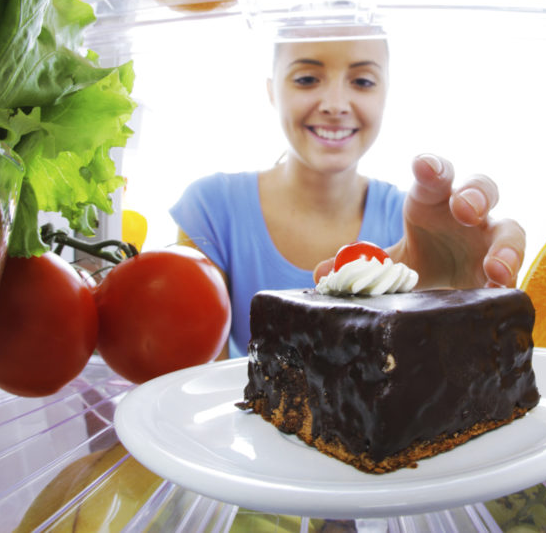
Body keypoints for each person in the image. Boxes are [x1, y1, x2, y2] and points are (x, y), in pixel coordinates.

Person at [170, 28, 526, 358]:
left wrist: (459, 302)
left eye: (362, 81)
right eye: (307, 79)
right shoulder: (211, 210)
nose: (336, 104)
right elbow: (192, 387)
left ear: (386, 93)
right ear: (270, 90)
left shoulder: (422, 226)